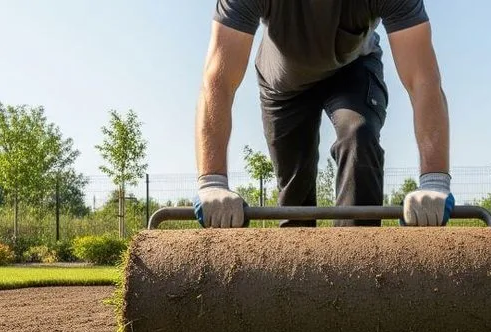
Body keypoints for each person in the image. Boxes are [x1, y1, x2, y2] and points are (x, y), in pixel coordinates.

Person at [194, 0, 454, 228]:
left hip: (353, 68)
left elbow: (422, 79)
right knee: (295, 192)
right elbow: (219, 80)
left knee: (358, 136)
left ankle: (359, 267)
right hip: (282, 84)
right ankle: (297, 280)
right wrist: (212, 183)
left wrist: (434, 181)